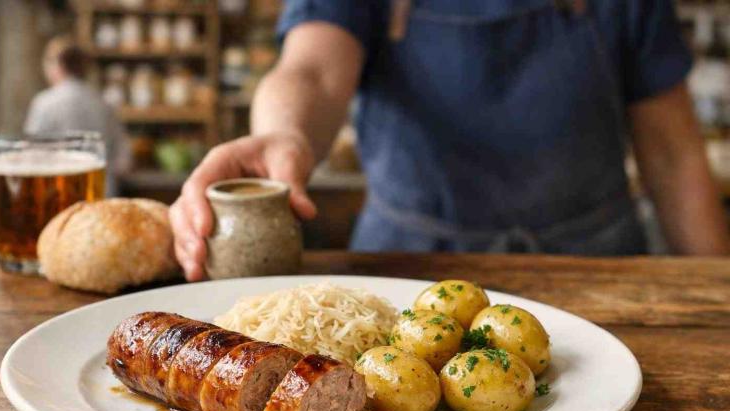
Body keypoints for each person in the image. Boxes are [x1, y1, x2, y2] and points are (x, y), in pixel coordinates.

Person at [170, 0, 730, 281]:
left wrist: (713, 293)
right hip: (410, 270)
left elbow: (675, 156)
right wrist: (280, 134)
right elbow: (312, 71)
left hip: (595, 267)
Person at [25, 36, 131, 194]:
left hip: (60, 194)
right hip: (101, 191)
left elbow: (32, 155)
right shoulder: (104, 102)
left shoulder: (44, 102)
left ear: (58, 66)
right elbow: (124, 162)